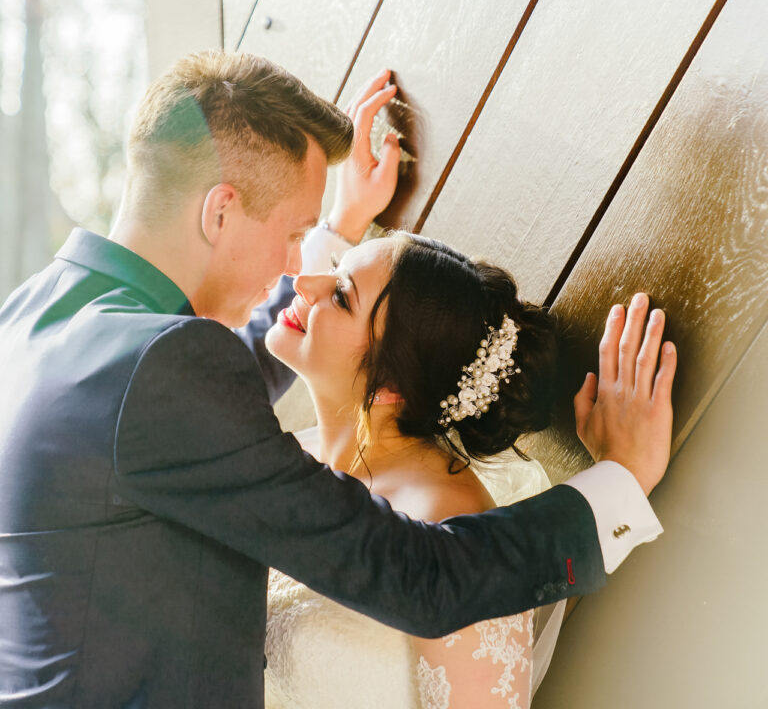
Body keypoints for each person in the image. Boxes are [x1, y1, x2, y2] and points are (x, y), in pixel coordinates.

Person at [0, 52, 675, 708]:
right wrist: (621, 482)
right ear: (220, 212)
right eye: (294, 233)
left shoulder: (30, 323)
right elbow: (423, 578)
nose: (299, 265)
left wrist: (339, 229)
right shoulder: (168, 371)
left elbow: (192, 411)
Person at [263, 231, 569, 709]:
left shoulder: (455, 532)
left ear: (391, 383)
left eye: (341, 296)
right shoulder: (287, 458)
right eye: (337, 266)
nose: (303, 282)